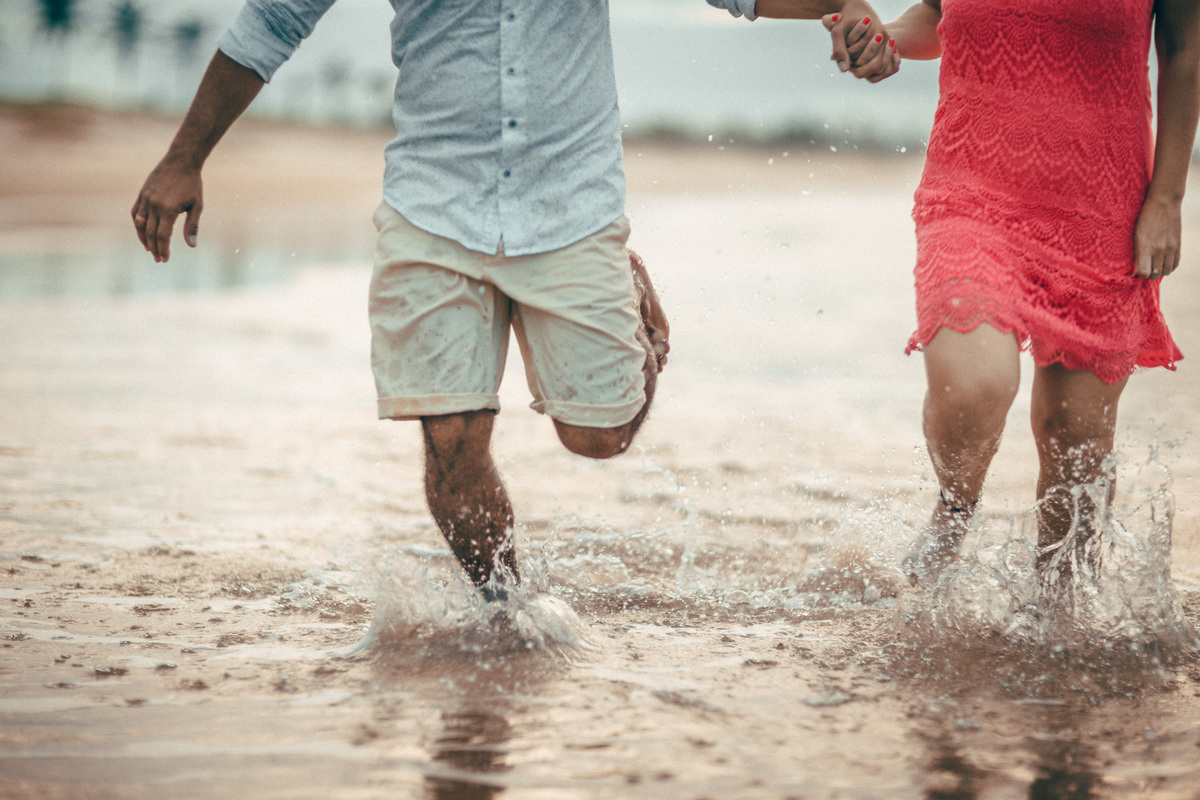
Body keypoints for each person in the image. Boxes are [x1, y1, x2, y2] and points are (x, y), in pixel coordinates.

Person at [131, 0, 674, 601]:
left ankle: (624, 284)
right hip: (433, 204)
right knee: (451, 440)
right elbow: (275, 18)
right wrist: (184, 158)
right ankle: (506, 613)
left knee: (599, 437)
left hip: (571, 206)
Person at [824, 0, 1200, 585]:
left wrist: (1168, 199)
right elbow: (937, 14)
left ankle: (1059, 616)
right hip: (971, 187)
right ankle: (954, 510)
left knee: (1075, 439)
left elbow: (1184, 49)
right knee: (973, 385)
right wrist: (885, 40)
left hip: (1102, 203)